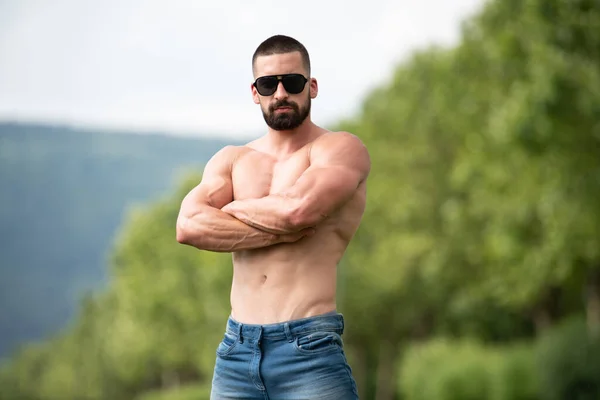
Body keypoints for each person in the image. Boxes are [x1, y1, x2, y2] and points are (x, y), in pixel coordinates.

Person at [176, 34, 371, 400]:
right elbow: (188, 226)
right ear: (255, 92)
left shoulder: (340, 149)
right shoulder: (231, 159)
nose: (280, 92)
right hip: (236, 351)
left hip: (309, 350)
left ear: (311, 87)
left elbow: (299, 211)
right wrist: (281, 230)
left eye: (292, 82)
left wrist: (231, 210)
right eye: (268, 84)